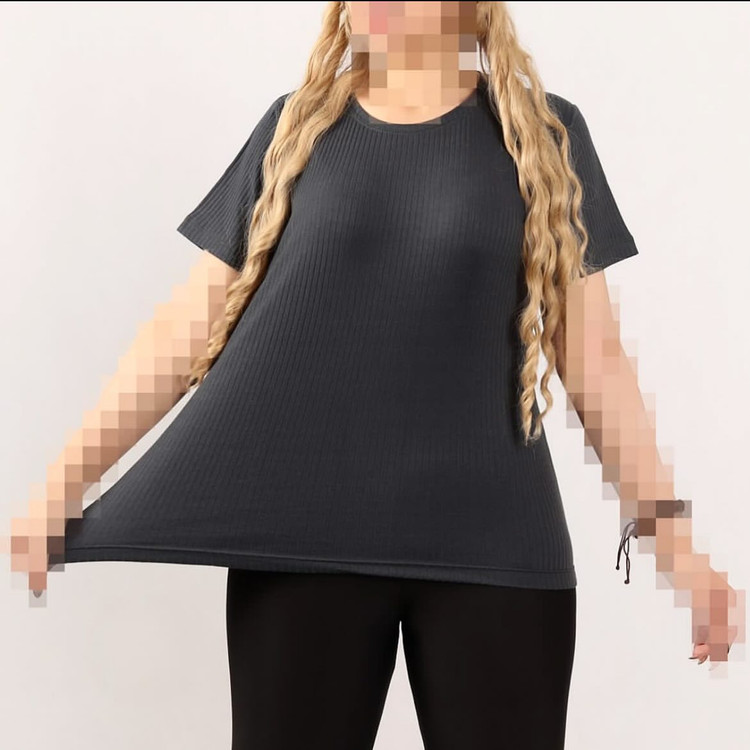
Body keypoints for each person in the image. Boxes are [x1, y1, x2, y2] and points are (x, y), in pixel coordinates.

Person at [7, 2, 743, 749]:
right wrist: (61, 486)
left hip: (495, 551)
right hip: (298, 548)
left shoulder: (546, 138)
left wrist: (678, 549)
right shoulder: (296, 131)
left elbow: (595, 362)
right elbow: (182, 331)